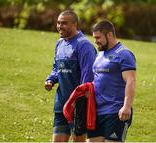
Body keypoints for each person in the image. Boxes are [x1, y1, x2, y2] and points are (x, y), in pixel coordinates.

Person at [45, 10, 96, 142]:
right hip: (61, 103)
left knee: (78, 140)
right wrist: (51, 79)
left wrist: (80, 103)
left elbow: (88, 79)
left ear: (74, 24)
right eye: (58, 23)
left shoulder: (84, 46)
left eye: (64, 23)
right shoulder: (60, 43)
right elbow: (57, 67)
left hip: (78, 105)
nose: (59, 26)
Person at [87, 20, 136, 142]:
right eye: (94, 38)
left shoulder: (124, 54)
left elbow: (131, 80)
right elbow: (98, 80)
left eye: (98, 37)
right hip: (97, 113)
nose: (95, 41)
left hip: (116, 112)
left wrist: (127, 106)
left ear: (109, 35)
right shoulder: (99, 55)